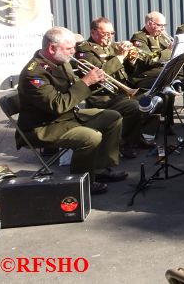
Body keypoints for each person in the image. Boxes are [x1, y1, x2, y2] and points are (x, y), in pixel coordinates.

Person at [17, 27, 128, 195]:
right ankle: (81, 182)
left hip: (66, 117)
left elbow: (74, 89)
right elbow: (58, 105)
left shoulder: (60, 62)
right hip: (43, 126)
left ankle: (99, 169)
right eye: (69, 49)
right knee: (91, 137)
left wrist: (95, 81)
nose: (73, 52)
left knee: (112, 117)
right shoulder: (34, 74)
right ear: (52, 48)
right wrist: (86, 82)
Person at [75, 17, 149, 158]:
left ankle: (135, 137)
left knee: (148, 100)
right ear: (94, 32)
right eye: (106, 33)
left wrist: (131, 60)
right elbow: (98, 73)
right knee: (133, 107)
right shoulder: (84, 49)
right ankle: (124, 144)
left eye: (112, 33)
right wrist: (120, 57)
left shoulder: (112, 46)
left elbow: (127, 71)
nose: (109, 37)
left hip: (119, 92)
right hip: (101, 96)